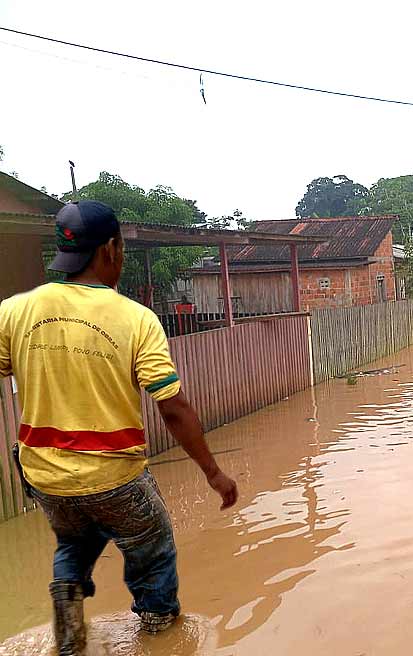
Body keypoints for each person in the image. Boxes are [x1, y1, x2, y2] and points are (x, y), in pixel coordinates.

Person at [0, 201, 239, 655]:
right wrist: (213, 472)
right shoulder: (135, 318)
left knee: (74, 541)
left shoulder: (14, 311)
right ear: (110, 249)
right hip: (114, 474)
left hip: (45, 477)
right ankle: (161, 630)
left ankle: (68, 613)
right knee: (153, 547)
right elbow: (173, 408)